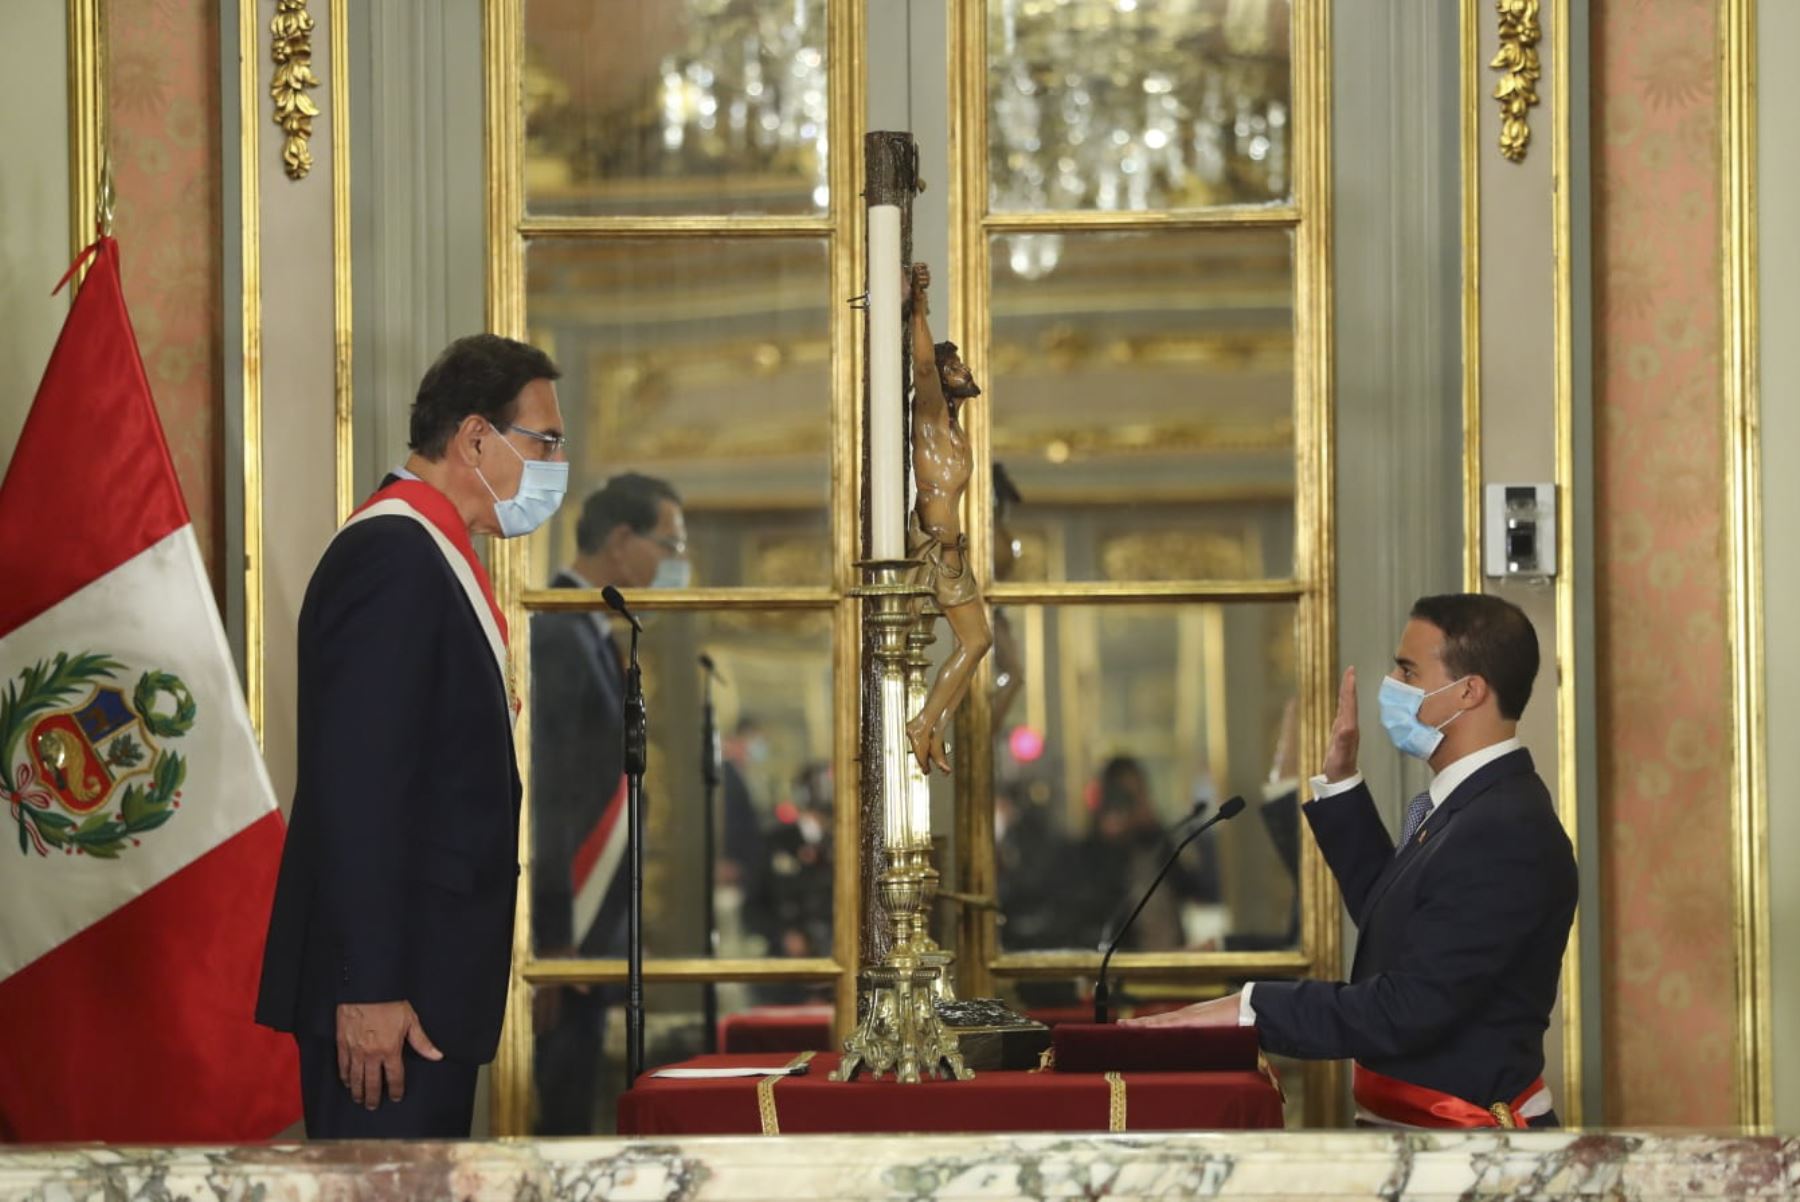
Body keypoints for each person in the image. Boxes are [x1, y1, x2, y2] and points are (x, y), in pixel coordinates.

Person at [257, 334, 568, 1138]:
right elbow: (359, 787)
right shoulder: (393, 556)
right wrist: (368, 985)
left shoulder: (431, 554)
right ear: (475, 438)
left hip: (424, 983)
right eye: (546, 442)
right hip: (388, 998)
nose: (556, 466)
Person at [1130, 594, 1578, 1131]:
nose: (1390, 683)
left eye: (1408, 671)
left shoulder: (1504, 827)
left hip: (1468, 1146)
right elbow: (1398, 925)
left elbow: (1409, 1008)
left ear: (1469, 691)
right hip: (1419, 1136)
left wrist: (1250, 1009)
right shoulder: (1470, 806)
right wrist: (1341, 783)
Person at [529, 472, 685, 1134]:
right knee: (559, 1115)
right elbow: (550, 795)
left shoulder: (592, 633)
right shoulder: (559, 632)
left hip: (590, 923)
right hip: (567, 929)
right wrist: (553, 938)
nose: (673, 565)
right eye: (668, 545)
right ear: (621, 542)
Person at [903, 262, 993, 774]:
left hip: (954, 553)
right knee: (976, 640)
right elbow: (921, 365)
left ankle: (934, 726)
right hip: (935, 553)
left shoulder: (956, 431)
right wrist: (919, 306)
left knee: (980, 642)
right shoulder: (932, 418)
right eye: (954, 365)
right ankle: (924, 724)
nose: (965, 370)